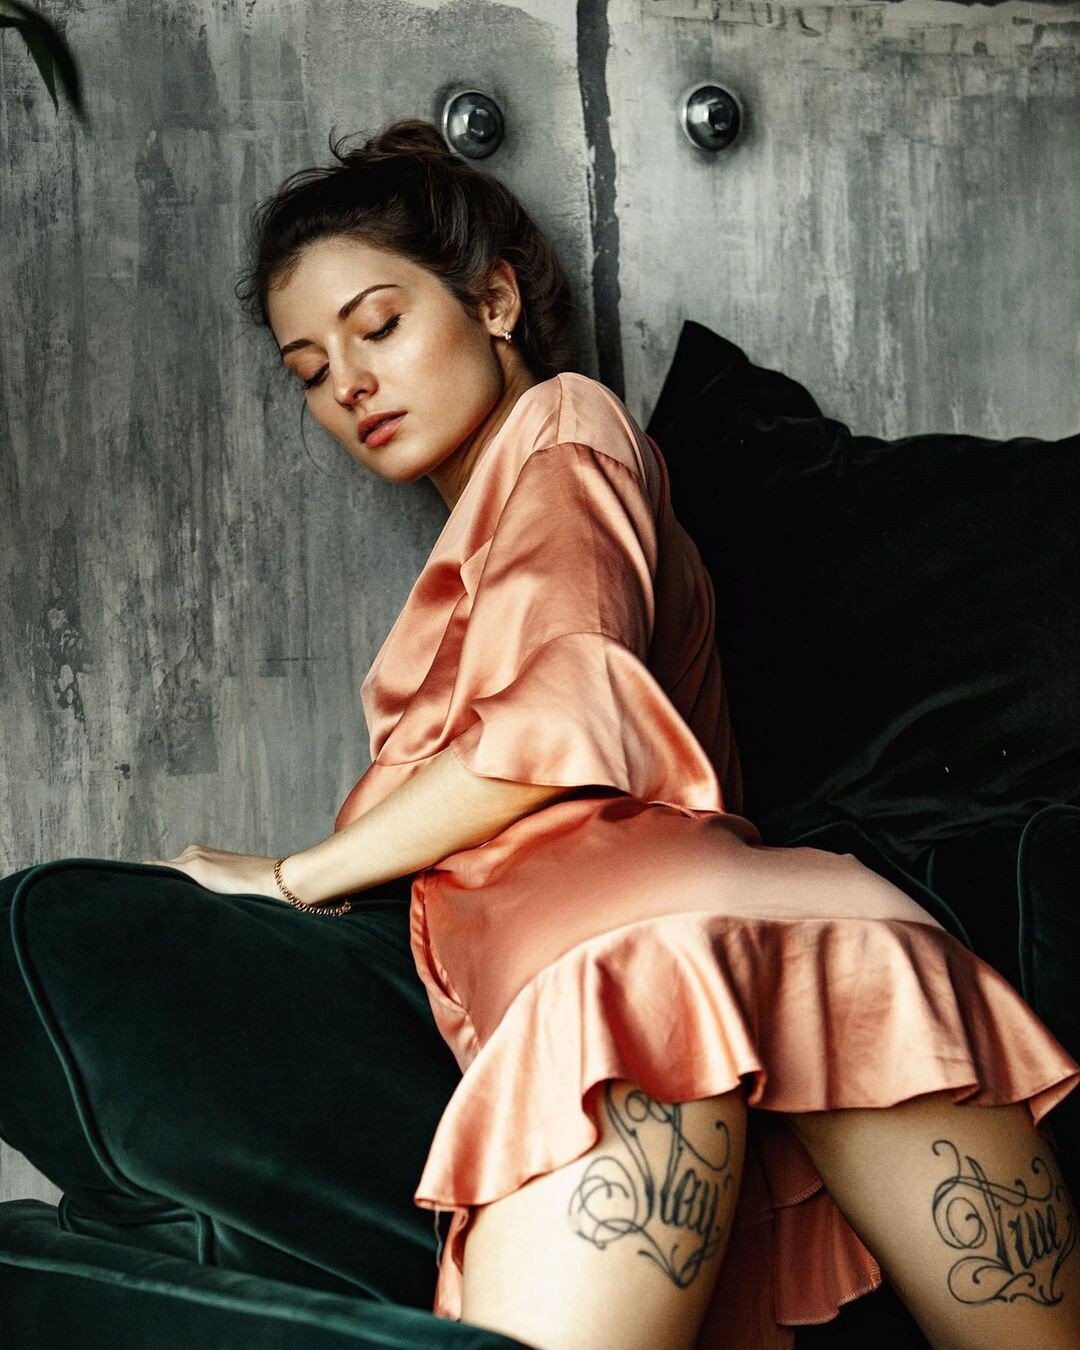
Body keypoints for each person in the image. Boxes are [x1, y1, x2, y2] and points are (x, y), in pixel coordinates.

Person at [137, 117, 1078, 1349]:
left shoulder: (566, 430)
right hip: (837, 949)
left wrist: (293, 875)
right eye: (309, 369)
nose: (349, 383)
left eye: (378, 326)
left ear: (494, 300)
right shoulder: (507, 527)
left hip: (624, 980)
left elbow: (571, 709)